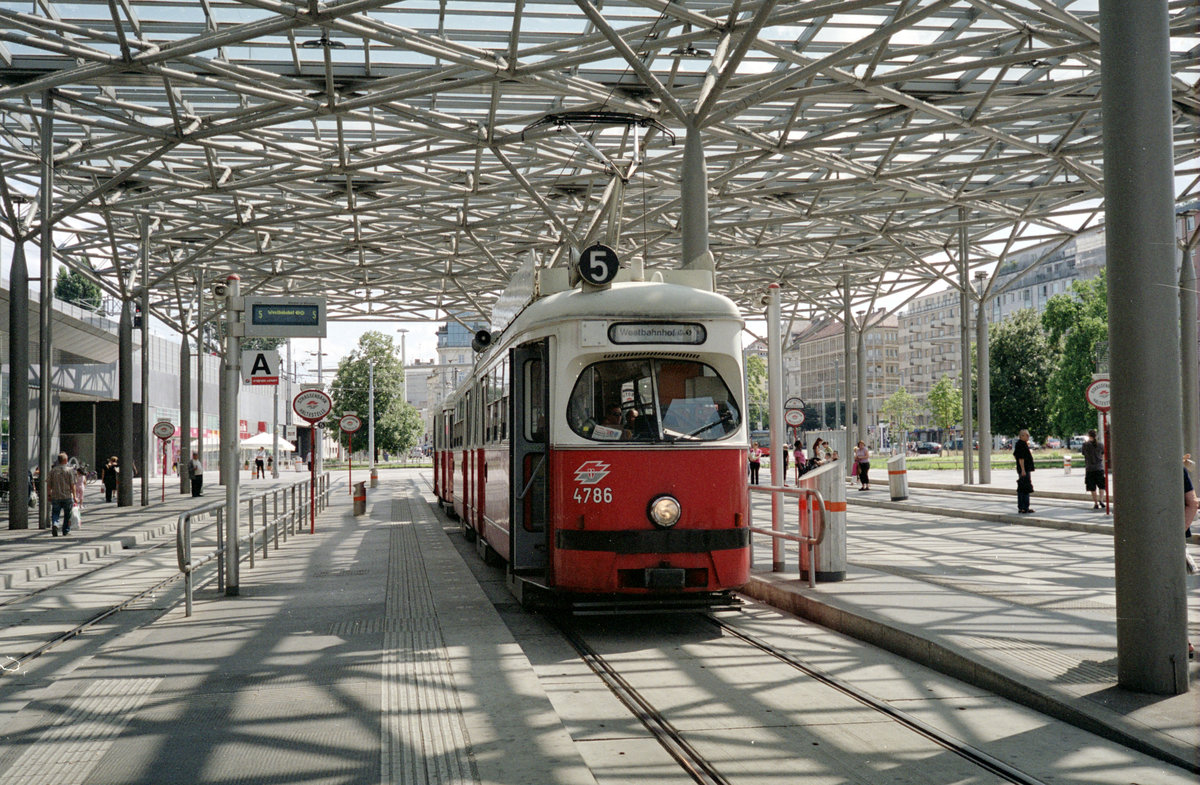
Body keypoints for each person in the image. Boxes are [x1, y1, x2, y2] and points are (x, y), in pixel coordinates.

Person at [48, 452, 75, 536]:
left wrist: (49, 494)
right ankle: (65, 530)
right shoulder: (69, 470)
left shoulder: (53, 470)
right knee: (67, 514)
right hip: (67, 495)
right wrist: (74, 496)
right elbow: (72, 484)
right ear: (66, 460)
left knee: (55, 512)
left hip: (55, 495)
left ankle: (55, 524)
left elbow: (49, 484)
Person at [1081, 429, 1106, 510]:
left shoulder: (1085, 445)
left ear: (1088, 436)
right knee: (1101, 485)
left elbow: (1084, 454)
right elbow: (1102, 454)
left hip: (1090, 469)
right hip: (1099, 468)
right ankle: (1101, 500)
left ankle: (1095, 503)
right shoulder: (1101, 444)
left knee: (1092, 487)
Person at [1013, 429, 1035, 514]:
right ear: (1021, 436)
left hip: (1024, 469)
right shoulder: (1021, 445)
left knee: (1023, 487)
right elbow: (1021, 458)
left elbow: (1015, 455)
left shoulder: (1020, 444)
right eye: (1027, 435)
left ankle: (1023, 507)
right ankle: (1024, 507)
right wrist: (1022, 469)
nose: (1028, 437)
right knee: (1025, 488)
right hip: (1024, 469)